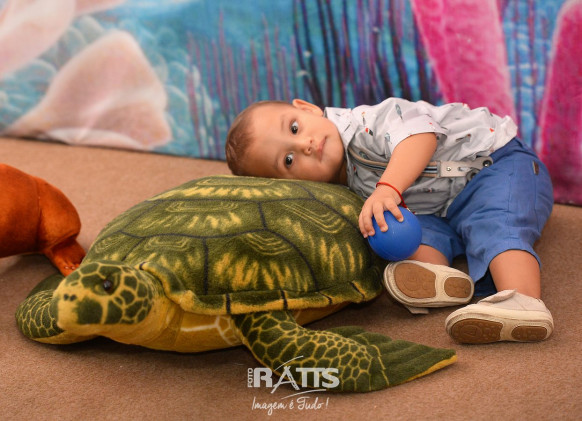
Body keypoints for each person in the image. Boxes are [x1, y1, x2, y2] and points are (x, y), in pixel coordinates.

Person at [225, 97, 554, 344]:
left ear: (307, 108)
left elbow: (421, 137)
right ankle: (440, 279)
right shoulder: (335, 190)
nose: (304, 145)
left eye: (294, 128)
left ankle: (523, 300)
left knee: (494, 224)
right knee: (413, 236)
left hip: (495, 166)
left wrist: (387, 188)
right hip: (441, 208)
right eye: (288, 159)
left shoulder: (369, 121)